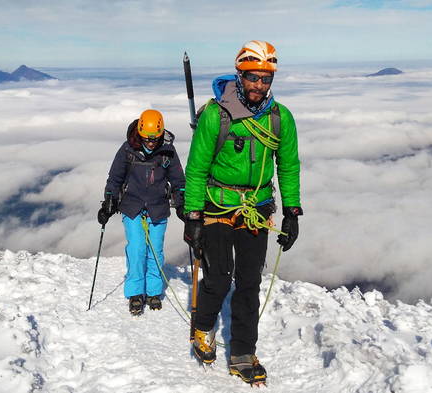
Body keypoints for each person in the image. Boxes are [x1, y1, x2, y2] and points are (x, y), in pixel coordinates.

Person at [182, 40, 302, 385]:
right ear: (240, 75)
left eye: (265, 79)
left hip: (257, 209)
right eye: (253, 78)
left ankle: (243, 352)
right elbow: (197, 168)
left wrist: (292, 211)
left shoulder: (281, 118)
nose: (259, 86)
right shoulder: (216, 116)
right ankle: (203, 328)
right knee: (218, 277)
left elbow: (288, 166)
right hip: (217, 206)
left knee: (249, 283)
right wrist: (193, 217)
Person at [98, 109, 185, 316]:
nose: (151, 143)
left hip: (158, 207)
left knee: (155, 251)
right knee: (137, 249)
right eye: (147, 139)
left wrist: (182, 204)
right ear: (140, 133)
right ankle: (136, 292)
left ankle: (153, 291)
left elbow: (179, 181)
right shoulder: (127, 150)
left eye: (155, 139)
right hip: (132, 206)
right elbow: (115, 178)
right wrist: (109, 202)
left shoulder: (168, 152)